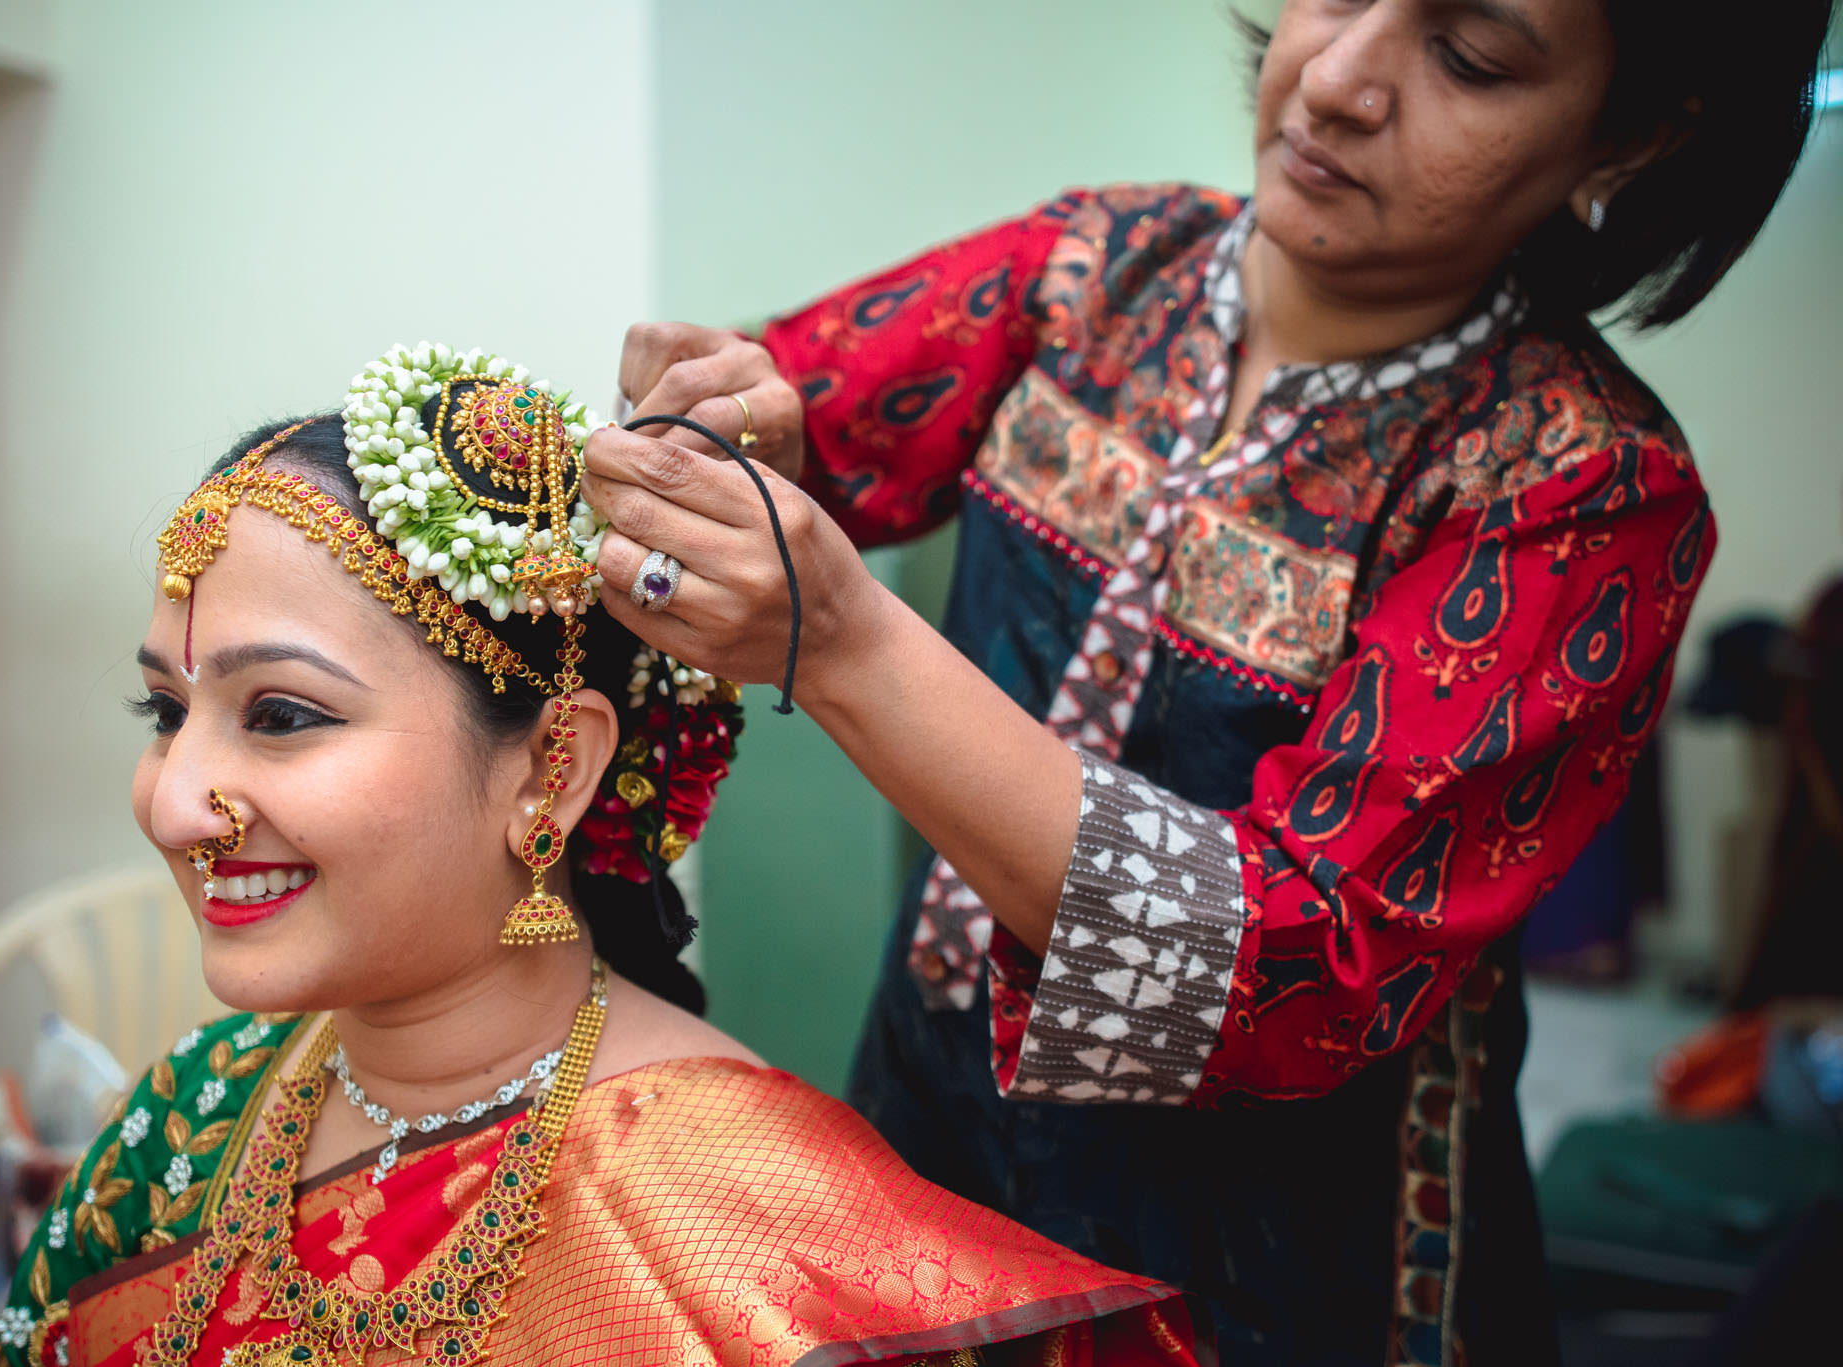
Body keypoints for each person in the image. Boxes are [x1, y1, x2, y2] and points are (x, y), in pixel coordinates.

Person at [579, 2, 1839, 1362]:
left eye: (1470, 58)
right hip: (929, 1136)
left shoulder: (1579, 488)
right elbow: (805, 412)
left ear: (1634, 133)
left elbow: (1288, 961)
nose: (1342, 79)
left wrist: (847, 644)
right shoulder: (1093, 268)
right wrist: (734, 434)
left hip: (1281, 1268)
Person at [0, 346, 1204, 1367]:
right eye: (163, 714)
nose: (179, 800)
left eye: (281, 715)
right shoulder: (188, 1113)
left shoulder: (754, 1227)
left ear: (550, 767)